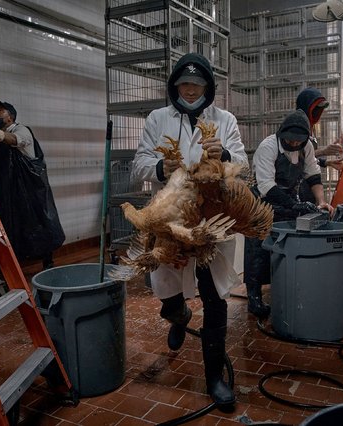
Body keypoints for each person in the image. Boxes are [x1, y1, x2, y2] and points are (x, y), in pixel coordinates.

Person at [130, 52, 246, 407]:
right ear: (175, 87)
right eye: (184, 84)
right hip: (170, 222)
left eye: (197, 84)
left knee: (214, 297)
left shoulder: (224, 119)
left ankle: (214, 378)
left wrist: (224, 154)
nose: (191, 90)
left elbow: (242, 163)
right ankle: (177, 315)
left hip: (211, 220)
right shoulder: (157, 118)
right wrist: (161, 168)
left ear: (208, 87)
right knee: (165, 288)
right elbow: (138, 166)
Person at [243, 110, 334, 319]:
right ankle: (254, 298)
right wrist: (295, 206)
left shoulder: (307, 146)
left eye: (298, 141)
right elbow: (266, 185)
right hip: (261, 202)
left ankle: (282, 289)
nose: (293, 144)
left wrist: (321, 201)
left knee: (284, 246)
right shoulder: (268, 147)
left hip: (288, 201)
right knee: (258, 250)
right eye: (289, 140)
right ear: (281, 134)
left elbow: (313, 175)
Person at [0, 100, 65, 271]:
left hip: (32, 190)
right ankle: (14, 265)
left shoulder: (21, 130)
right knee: (13, 225)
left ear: (10, 117)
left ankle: (48, 261)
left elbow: (15, 140)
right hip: (9, 191)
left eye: (0, 111)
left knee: (41, 221)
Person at [295, 87, 343, 204]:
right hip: (297, 186)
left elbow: (309, 157)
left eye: (320, 109)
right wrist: (323, 151)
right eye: (316, 108)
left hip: (309, 183)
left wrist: (326, 162)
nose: (318, 112)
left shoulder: (310, 127)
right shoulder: (296, 127)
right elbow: (295, 155)